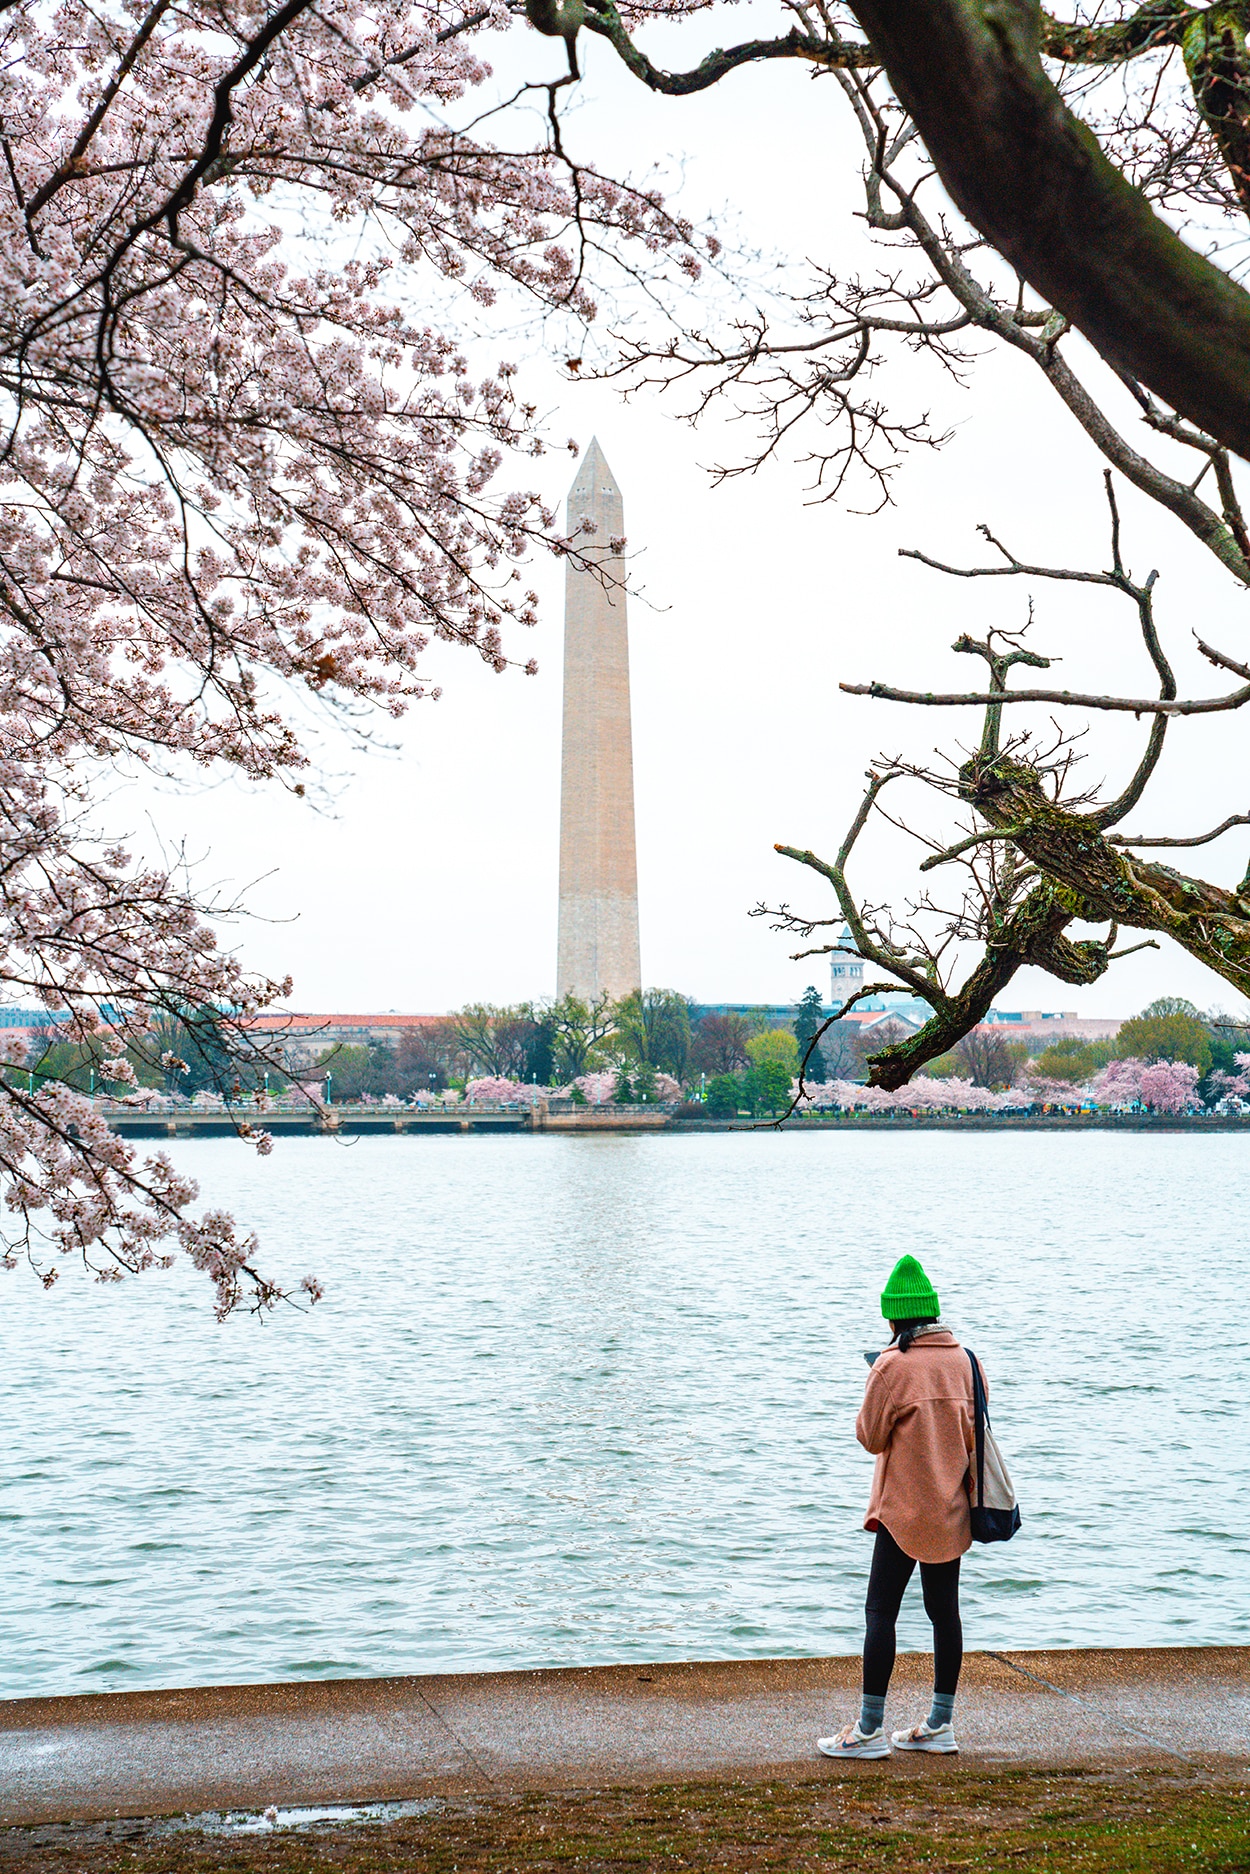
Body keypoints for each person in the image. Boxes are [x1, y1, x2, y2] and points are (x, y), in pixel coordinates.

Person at [818, 1253, 978, 1759]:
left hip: (902, 1512)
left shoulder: (891, 1365)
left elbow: (870, 1437)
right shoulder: (967, 1361)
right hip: (951, 1508)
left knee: (880, 1612)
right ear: (931, 1313)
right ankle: (940, 1724)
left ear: (894, 1317)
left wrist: (877, 1384)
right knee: (944, 1613)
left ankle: (867, 1731)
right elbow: (973, 1436)